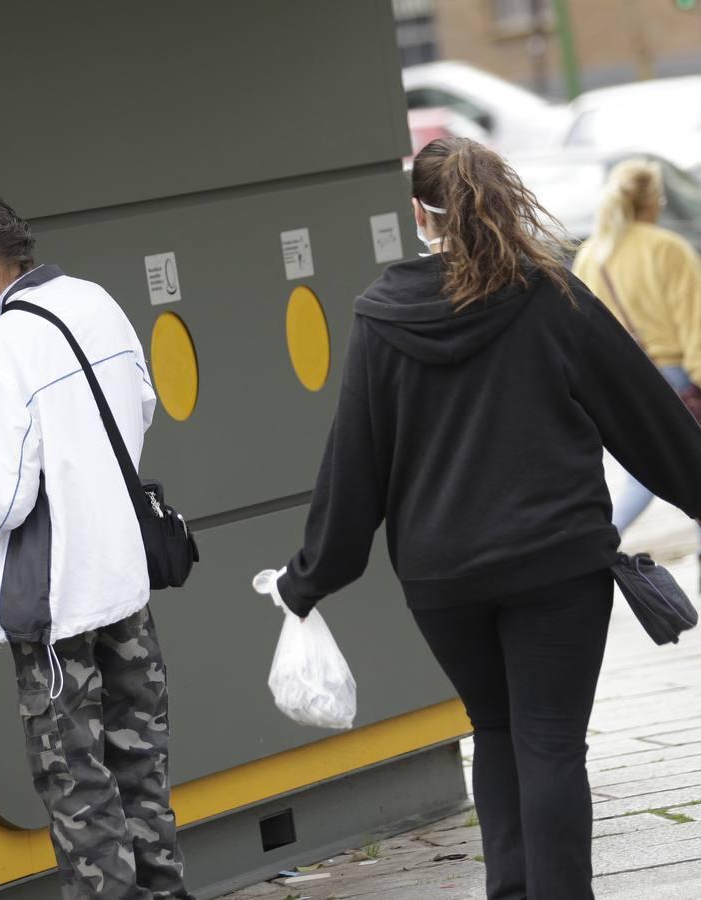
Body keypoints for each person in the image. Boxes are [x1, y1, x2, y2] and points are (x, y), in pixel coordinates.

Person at [268, 138, 701, 899]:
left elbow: (353, 471)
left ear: (417, 214)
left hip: (444, 581)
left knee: (495, 733)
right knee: (551, 744)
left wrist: (309, 580)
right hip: (557, 566)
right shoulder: (550, 296)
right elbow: (645, 418)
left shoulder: (380, 319)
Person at [0, 190, 190, 899]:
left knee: (77, 782)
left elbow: (4, 496)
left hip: (57, 600)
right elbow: (142, 405)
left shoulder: (0, 345)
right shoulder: (95, 301)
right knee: (141, 767)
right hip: (124, 579)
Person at [571, 159, 701, 542]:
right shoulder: (667, 248)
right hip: (674, 376)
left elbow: (582, 327)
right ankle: (604, 538)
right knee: (688, 471)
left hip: (622, 381)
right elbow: (693, 320)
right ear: (650, 202)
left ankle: (604, 538)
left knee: (641, 474)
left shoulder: (591, 255)